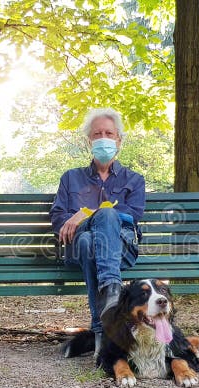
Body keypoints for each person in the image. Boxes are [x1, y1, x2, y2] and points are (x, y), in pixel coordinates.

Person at [50, 108, 145, 356]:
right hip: (76, 250)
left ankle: (100, 332)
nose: (104, 138)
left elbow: (131, 216)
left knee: (97, 229)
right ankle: (112, 290)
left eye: (109, 133)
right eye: (97, 134)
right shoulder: (71, 178)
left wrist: (85, 213)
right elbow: (59, 218)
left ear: (119, 140)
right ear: (89, 141)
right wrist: (82, 217)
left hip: (121, 250)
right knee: (87, 240)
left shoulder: (134, 180)